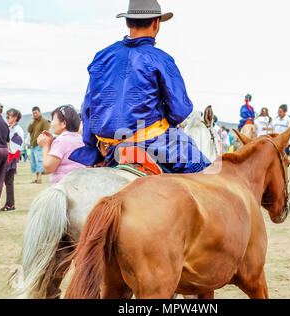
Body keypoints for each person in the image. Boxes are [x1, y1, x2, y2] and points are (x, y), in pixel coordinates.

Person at [69, 0, 211, 174]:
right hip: (153, 143)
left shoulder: (101, 57)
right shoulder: (161, 59)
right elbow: (180, 110)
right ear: (156, 23)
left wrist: (92, 147)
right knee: (207, 172)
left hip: (107, 147)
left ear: (128, 22)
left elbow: (89, 109)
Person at [37, 105, 85, 185]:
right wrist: (51, 143)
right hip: (79, 187)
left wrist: (45, 146)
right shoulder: (80, 139)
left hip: (63, 190)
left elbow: (48, 168)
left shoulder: (61, 141)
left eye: (53, 120)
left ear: (63, 124)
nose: (51, 124)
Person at [2, 108, 24, 211]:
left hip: (11, 156)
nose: (7, 118)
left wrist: (6, 146)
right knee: (7, 181)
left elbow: (16, 146)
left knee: (9, 181)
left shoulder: (17, 129)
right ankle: (9, 203)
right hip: (8, 155)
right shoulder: (10, 128)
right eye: (6, 116)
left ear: (15, 118)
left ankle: (10, 204)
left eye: (8, 116)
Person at [28, 106, 50, 184]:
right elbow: (29, 130)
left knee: (39, 161)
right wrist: (32, 122)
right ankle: (37, 178)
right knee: (33, 162)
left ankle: (40, 178)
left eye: (36, 113)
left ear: (39, 112)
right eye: (33, 113)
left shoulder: (44, 121)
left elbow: (46, 132)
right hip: (33, 144)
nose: (35, 114)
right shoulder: (34, 122)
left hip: (40, 144)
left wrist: (42, 141)